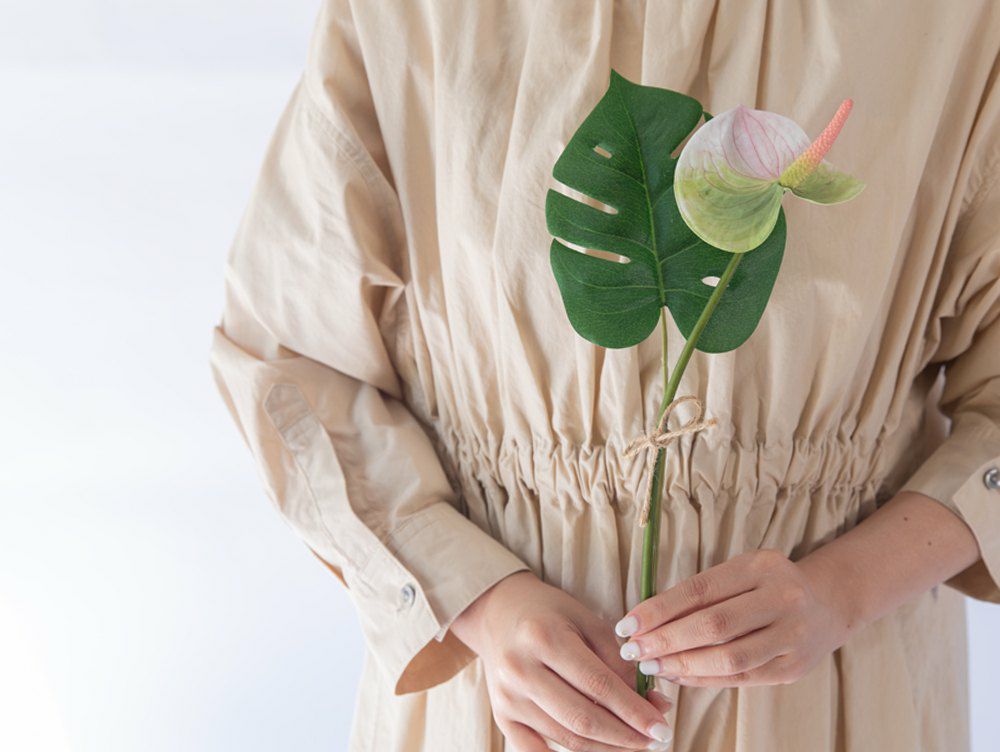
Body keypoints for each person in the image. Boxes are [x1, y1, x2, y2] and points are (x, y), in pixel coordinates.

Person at [207, 1, 1000, 750]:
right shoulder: (417, 18)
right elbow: (289, 354)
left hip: (831, 696)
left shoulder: (949, 23)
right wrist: (482, 600)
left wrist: (844, 589)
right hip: (507, 706)